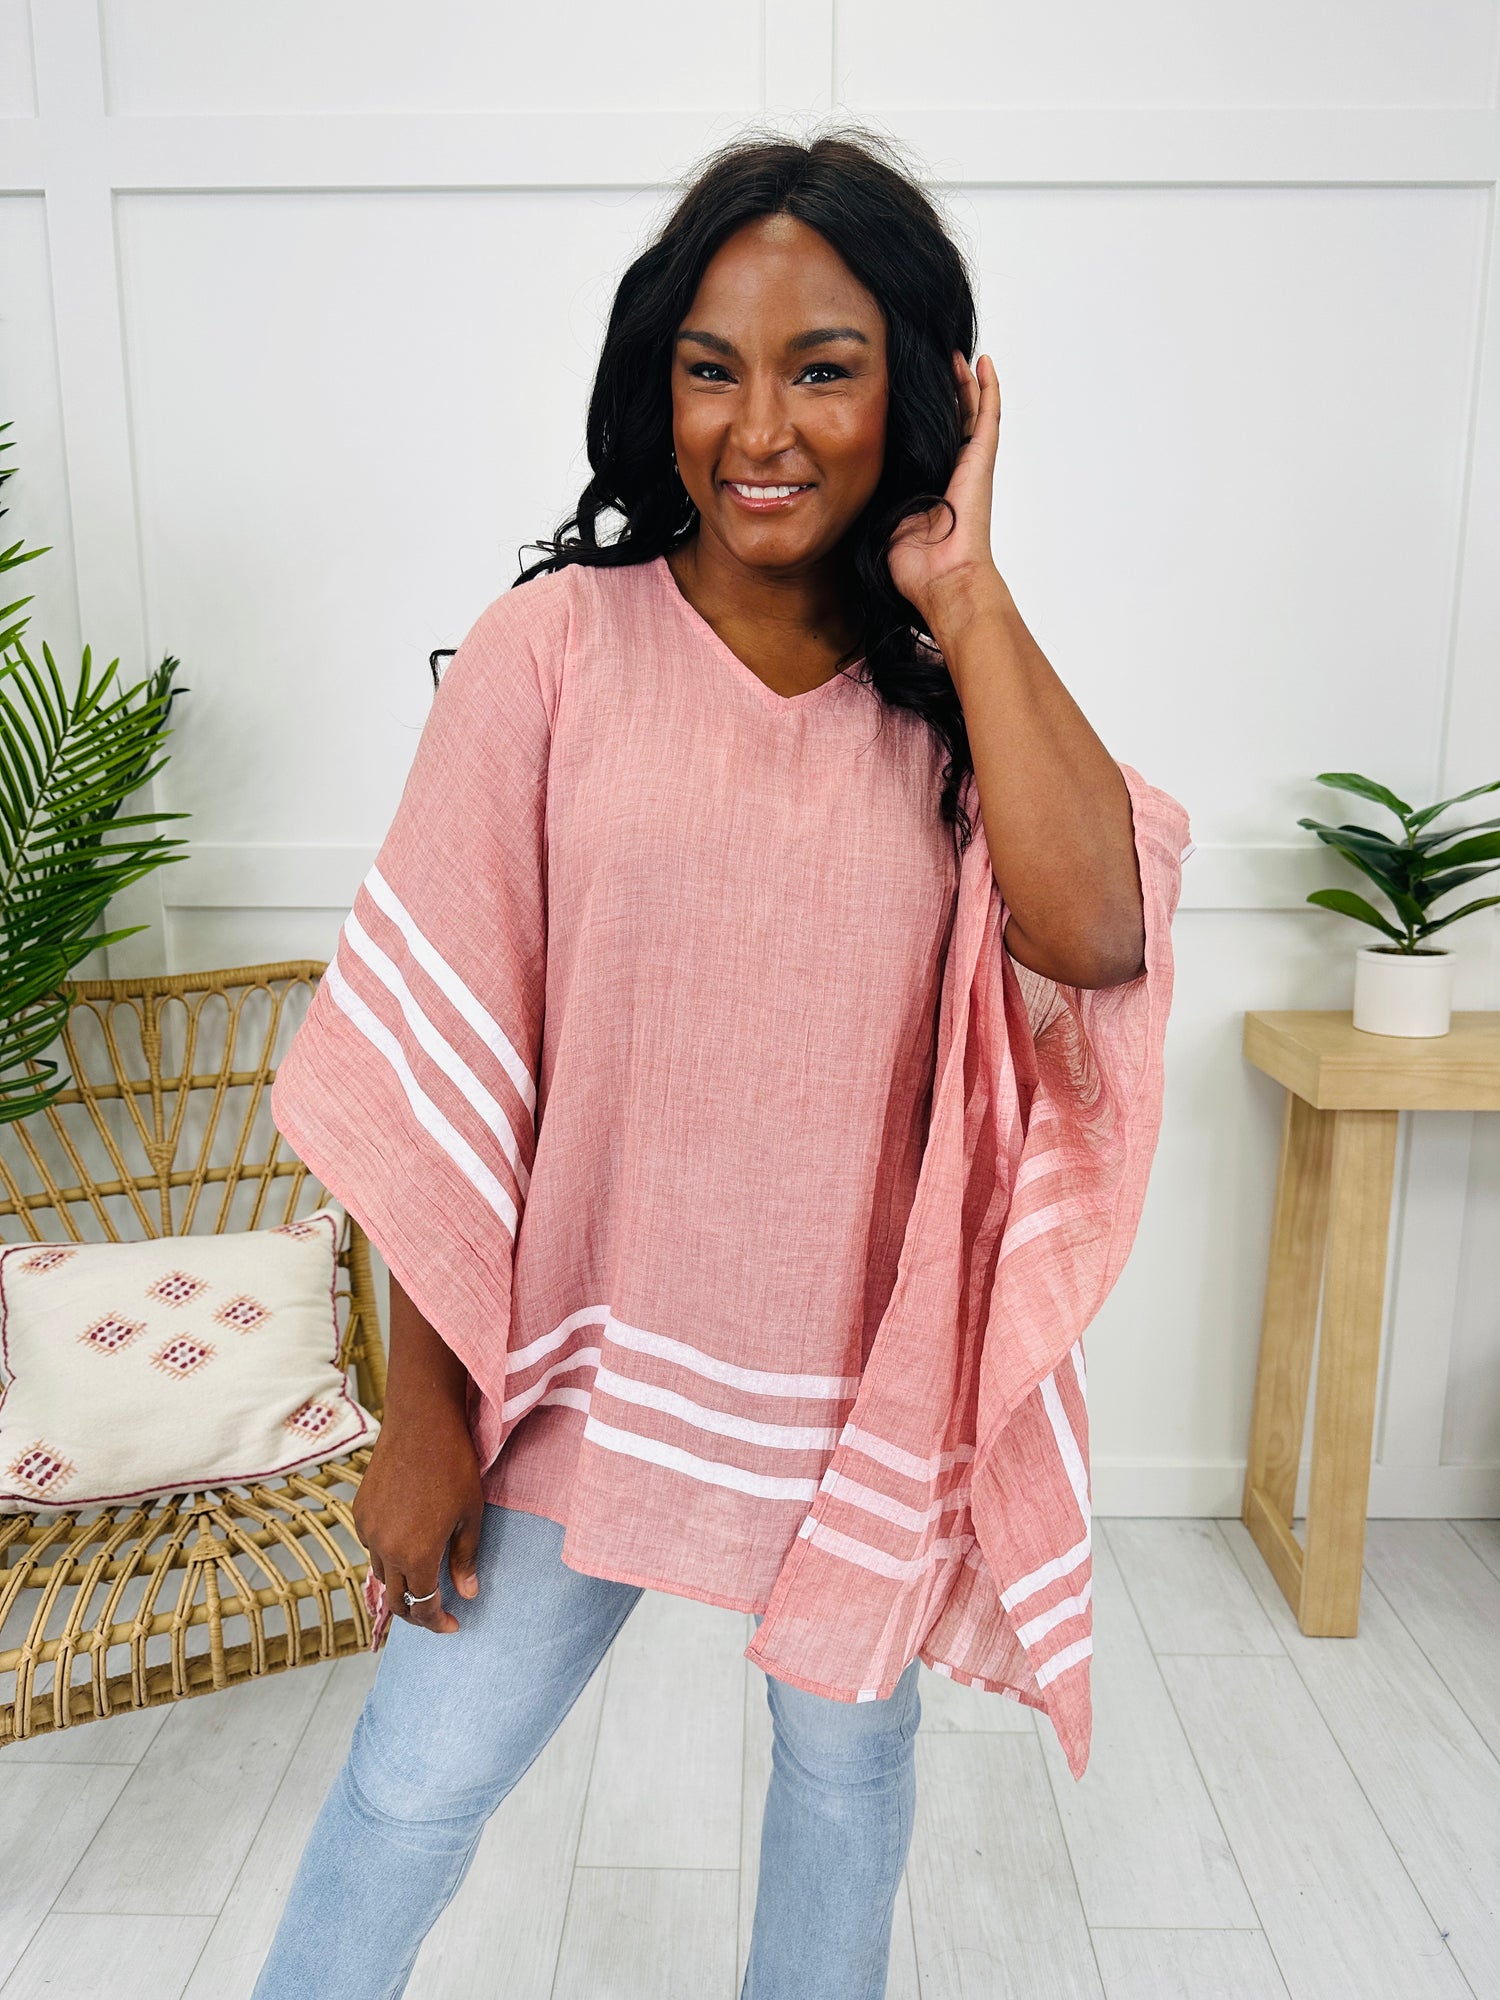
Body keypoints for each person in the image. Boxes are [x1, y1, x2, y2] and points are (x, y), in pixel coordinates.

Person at [256, 129, 1181, 2000]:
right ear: (656, 384)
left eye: (824, 371)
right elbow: (445, 1078)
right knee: (415, 1781)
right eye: (711, 368)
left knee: (845, 1776)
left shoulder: (955, 697)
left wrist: (966, 590)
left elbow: (1097, 935)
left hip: (852, 1385)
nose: (760, 429)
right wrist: (421, 1414)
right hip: (576, 1362)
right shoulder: (552, 655)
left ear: (916, 394)